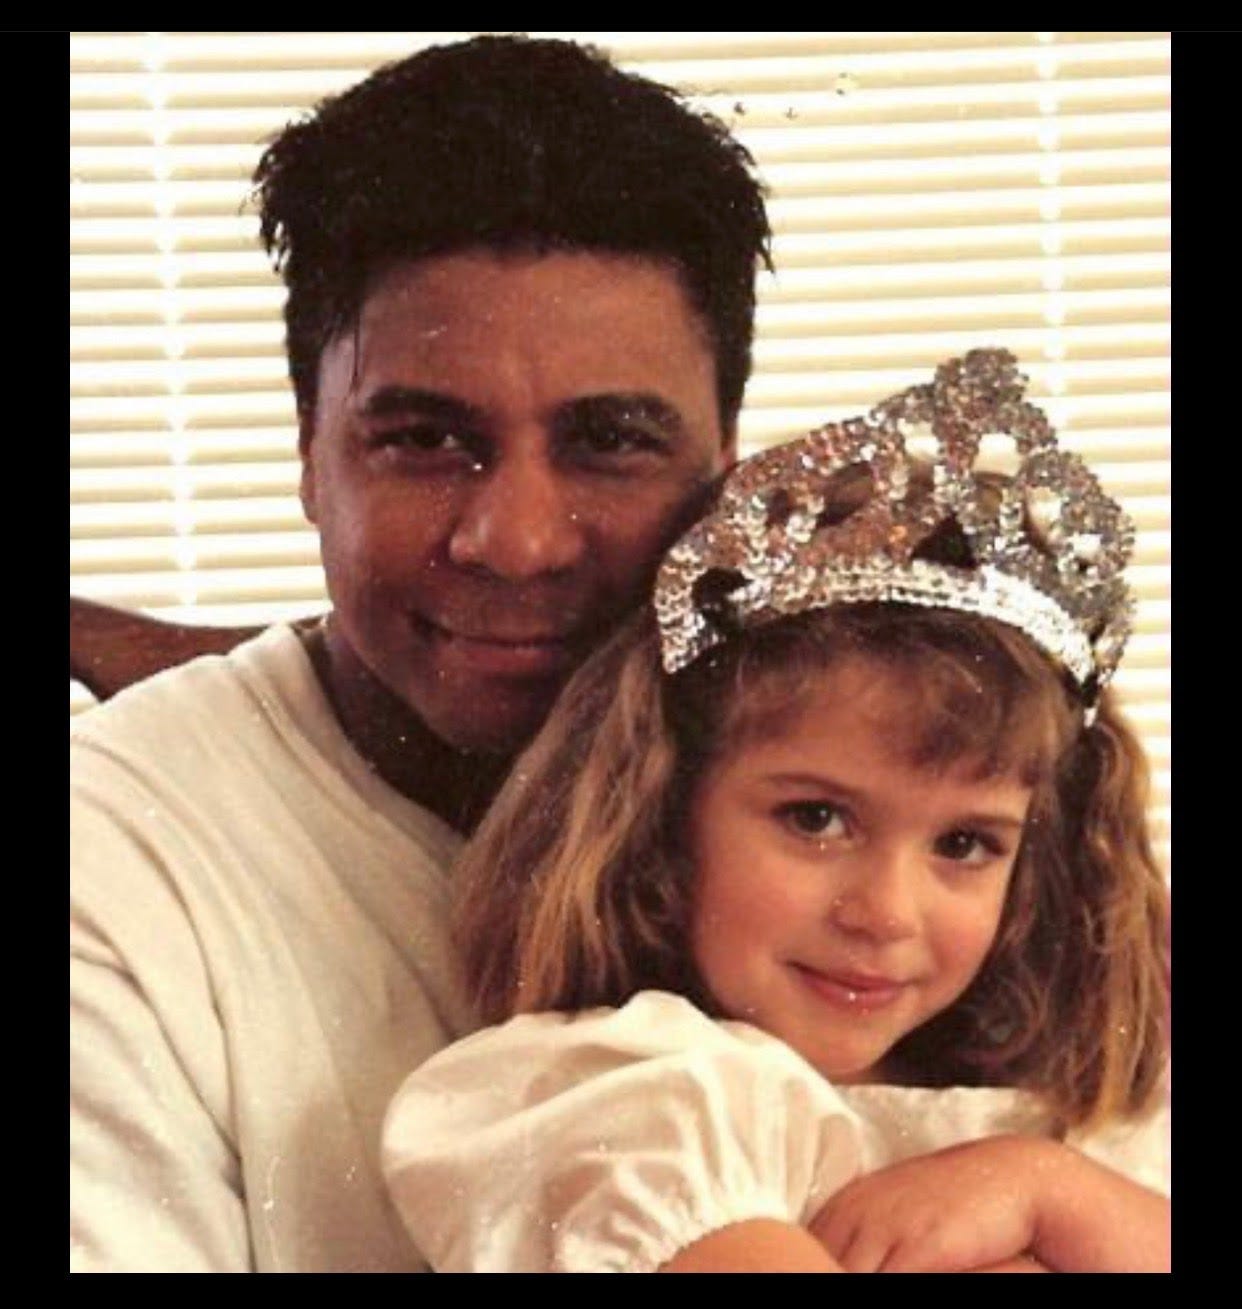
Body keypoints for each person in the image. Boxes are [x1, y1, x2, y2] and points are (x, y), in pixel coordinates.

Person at [70, 34, 770, 1273]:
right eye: (425, 439)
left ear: (722, 469)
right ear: (309, 452)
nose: (516, 541)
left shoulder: (847, 799)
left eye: (609, 440)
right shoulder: (115, 864)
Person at [380, 350, 1172, 1273]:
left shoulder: (1077, 1122)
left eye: (964, 842)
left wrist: (1050, 1190)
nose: (885, 911)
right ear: (664, 811)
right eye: (816, 819)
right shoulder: (632, 1097)